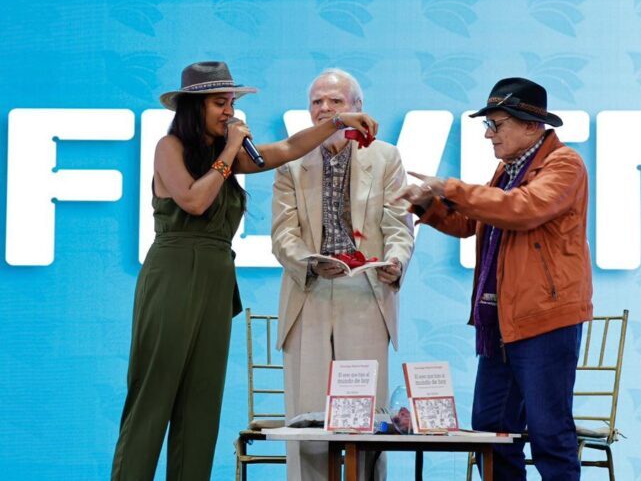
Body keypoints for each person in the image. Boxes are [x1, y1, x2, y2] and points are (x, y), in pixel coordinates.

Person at [110, 61, 378, 481]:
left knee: (202, 401)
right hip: (173, 274)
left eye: (231, 103)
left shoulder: (228, 156)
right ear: (195, 107)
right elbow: (194, 201)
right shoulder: (170, 148)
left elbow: (288, 148)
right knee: (154, 392)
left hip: (217, 279)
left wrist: (337, 122)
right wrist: (230, 150)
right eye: (220, 103)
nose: (230, 112)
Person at [398, 77, 592, 481]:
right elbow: (471, 223)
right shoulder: (507, 171)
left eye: (497, 124)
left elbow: (523, 209)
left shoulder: (564, 165)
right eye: (489, 125)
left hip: (545, 318)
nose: (489, 134)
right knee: (491, 430)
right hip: (502, 321)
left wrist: (452, 188)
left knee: (549, 433)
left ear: (531, 126)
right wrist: (428, 206)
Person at [271, 68, 414, 480]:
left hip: (365, 294)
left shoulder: (385, 157)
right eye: (317, 101)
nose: (325, 108)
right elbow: (283, 234)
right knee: (307, 426)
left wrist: (395, 261)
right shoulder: (291, 160)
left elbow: (398, 225)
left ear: (357, 108)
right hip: (310, 292)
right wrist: (310, 262)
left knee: (366, 424)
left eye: (335, 101)